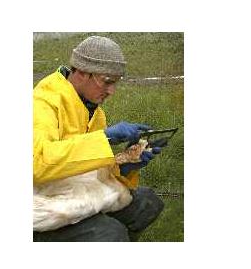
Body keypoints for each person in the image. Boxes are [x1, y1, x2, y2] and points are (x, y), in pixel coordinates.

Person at [33, 35, 164, 241]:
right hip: (43, 205)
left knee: (147, 204)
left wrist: (125, 165)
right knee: (109, 232)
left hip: (76, 195)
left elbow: (88, 166)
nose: (111, 91)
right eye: (107, 81)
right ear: (82, 72)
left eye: (115, 83)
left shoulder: (93, 110)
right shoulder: (42, 103)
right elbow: (38, 164)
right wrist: (105, 138)